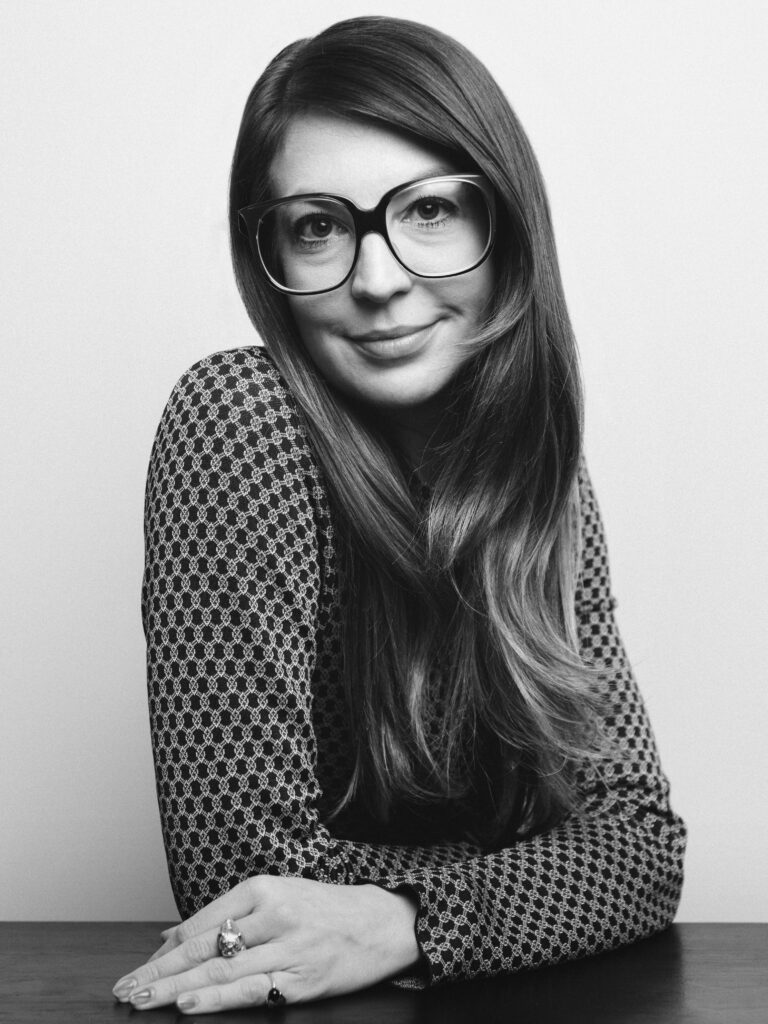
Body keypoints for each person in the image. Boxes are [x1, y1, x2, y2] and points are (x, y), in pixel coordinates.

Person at [113, 15, 686, 1015]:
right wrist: (523, 873)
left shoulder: (529, 468)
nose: (376, 281)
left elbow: (638, 845)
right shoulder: (238, 419)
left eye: (427, 209)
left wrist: (406, 917)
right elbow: (239, 883)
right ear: (273, 257)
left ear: (504, 225)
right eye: (319, 225)